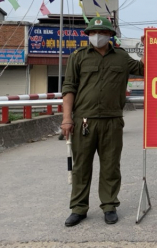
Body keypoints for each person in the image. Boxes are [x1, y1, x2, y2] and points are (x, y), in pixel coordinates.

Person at [60, 17, 144, 227]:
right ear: (88, 35)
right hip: (84, 121)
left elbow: (146, 69)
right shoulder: (78, 57)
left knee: (110, 166)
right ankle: (78, 209)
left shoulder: (122, 58)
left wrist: (148, 45)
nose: (96, 36)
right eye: (92, 33)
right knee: (81, 167)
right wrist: (67, 119)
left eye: (101, 32)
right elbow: (69, 88)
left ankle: (109, 206)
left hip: (112, 120)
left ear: (110, 36)